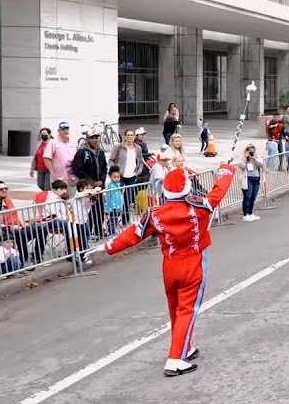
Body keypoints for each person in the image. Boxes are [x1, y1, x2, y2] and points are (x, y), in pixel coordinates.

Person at [105, 161, 236, 377]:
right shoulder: (199, 206)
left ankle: (186, 346)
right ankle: (175, 359)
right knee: (187, 310)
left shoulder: (155, 214)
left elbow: (133, 235)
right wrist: (226, 169)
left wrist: (108, 247)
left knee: (176, 309)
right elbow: (219, 190)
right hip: (192, 264)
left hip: (169, 266)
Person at [238, 144, 265, 221]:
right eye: (250, 152)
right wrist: (246, 158)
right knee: (247, 197)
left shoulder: (257, 157)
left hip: (256, 179)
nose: (252, 153)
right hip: (248, 179)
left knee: (253, 197)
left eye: (253, 152)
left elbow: (261, 165)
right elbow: (241, 166)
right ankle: (245, 214)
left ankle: (250, 213)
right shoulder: (243, 158)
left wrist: (254, 159)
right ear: (247, 151)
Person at [31, 127, 53, 191]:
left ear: (49, 135)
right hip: (40, 168)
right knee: (40, 185)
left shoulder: (52, 144)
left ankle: (47, 199)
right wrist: (31, 169)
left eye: (45, 134)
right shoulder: (39, 144)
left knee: (47, 187)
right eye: (42, 134)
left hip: (49, 169)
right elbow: (35, 157)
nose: (43, 135)